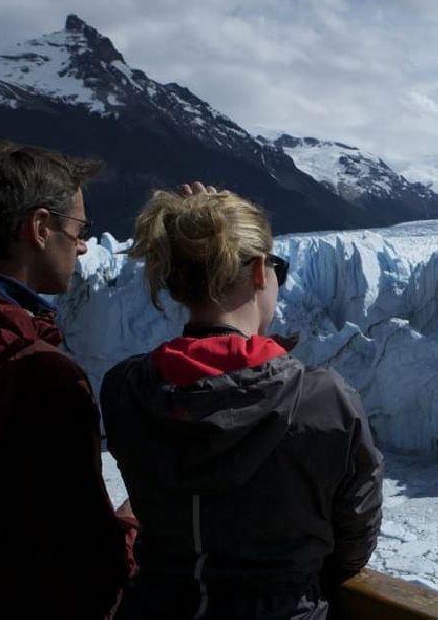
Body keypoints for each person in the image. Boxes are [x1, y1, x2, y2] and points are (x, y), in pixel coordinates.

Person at [100, 184, 383, 620]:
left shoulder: (126, 390)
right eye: (276, 267)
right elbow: (353, 540)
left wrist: (195, 221)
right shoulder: (322, 401)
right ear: (257, 274)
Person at [0, 141, 136, 619]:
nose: (83, 245)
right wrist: (130, 526)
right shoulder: (38, 374)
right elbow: (82, 560)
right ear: (40, 228)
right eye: (80, 229)